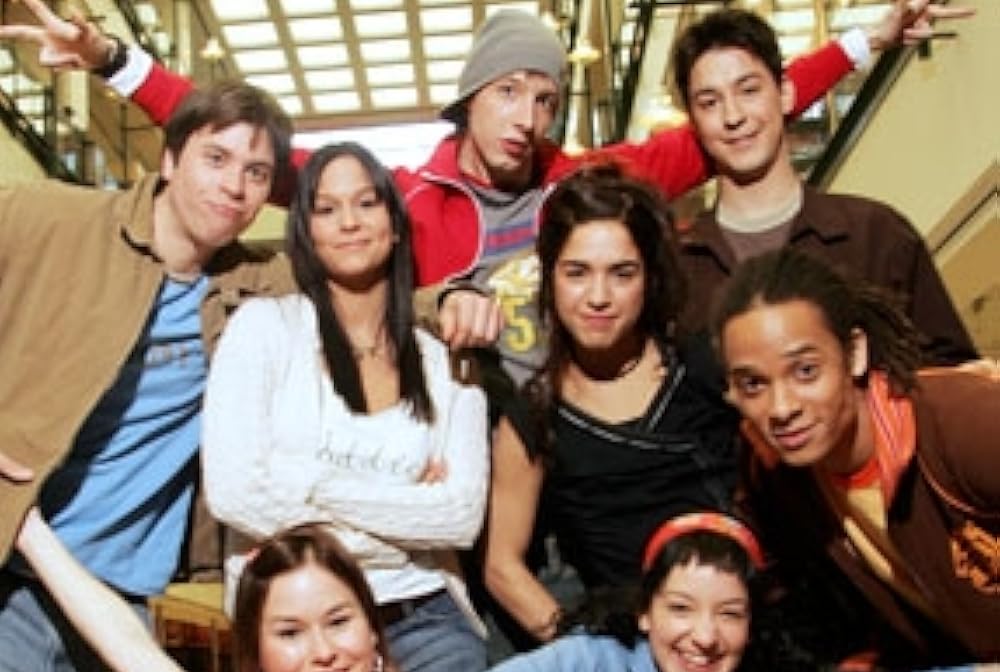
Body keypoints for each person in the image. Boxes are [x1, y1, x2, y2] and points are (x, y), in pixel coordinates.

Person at [0, 0, 935, 366]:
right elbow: (257, 153)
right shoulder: (400, 196)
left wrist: (864, 41)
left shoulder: (589, 180)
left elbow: (735, 116)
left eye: (546, 98)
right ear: (469, 100)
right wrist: (116, 63)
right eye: (508, 92)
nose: (528, 116)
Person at [0, 80, 295, 672]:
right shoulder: (53, 219)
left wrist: (452, 300)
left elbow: (362, 292)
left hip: (118, 596)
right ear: (168, 159)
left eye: (256, 172)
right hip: (10, 565)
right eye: (215, 159)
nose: (234, 186)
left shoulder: (254, 283)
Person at [200, 141, 489, 672]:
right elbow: (232, 493)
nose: (350, 222)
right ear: (305, 232)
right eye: (327, 209)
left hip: (423, 621)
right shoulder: (264, 329)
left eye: (366, 203)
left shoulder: (443, 358)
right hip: (299, 633)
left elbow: (460, 517)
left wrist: (304, 484)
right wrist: (403, 518)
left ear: (395, 222)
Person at [442, 511, 1000, 672]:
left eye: (729, 614)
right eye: (681, 608)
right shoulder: (595, 664)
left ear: (752, 626)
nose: (704, 636)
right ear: (645, 612)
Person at [484, 165, 739, 643]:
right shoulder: (533, 416)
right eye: (577, 273)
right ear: (550, 279)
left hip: (742, 624)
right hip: (632, 645)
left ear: (650, 278)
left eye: (622, 274)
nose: (598, 297)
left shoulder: (705, 367)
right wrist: (590, 657)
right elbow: (501, 566)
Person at [714, 248, 1000, 665]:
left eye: (805, 371)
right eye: (754, 385)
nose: (781, 408)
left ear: (855, 354)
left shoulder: (961, 423)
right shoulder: (774, 477)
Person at [671, 7, 977, 366]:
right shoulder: (677, 268)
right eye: (710, 103)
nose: (733, 116)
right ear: (694, 122)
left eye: (749, 90)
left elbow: (950, 375)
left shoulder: (877, 235)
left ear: (786, 94)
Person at [15, 512, 426, 672]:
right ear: (254, 650)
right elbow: (126, 643)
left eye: (338, 622)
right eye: (290, 633)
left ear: (373, 630)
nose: (323, 651)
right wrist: (25, 524)